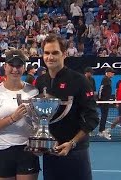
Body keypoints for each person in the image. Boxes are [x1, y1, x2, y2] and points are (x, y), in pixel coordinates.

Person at [35, 34, 99, 180]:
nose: (50, 57)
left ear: (64, 54)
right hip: (50, 153)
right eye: (46, 53)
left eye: (55, 53)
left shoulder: (80, 80)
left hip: (75, 152)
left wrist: (72, 143)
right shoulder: (40, 82)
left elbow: (92, 118)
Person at [0, 49, 40, 180]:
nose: (15, 69)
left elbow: (38, 123)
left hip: (27, 150)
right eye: (11, 65)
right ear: (5, 67)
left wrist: (39, 142)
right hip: (2, 150)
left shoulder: (33, 91)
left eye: (19, 66)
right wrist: (12, 118)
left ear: (24, 68)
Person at [97, 67, 115, 140]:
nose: (113, 74)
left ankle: (101, 130)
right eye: (112, 72)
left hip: (106, 101)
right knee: (104, 116)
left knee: (104, 116)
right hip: (103, 102)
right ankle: (101, 131)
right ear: (108, 73)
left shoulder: (108, 80)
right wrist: (100, 100)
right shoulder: (105, 79)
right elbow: (101, 90)